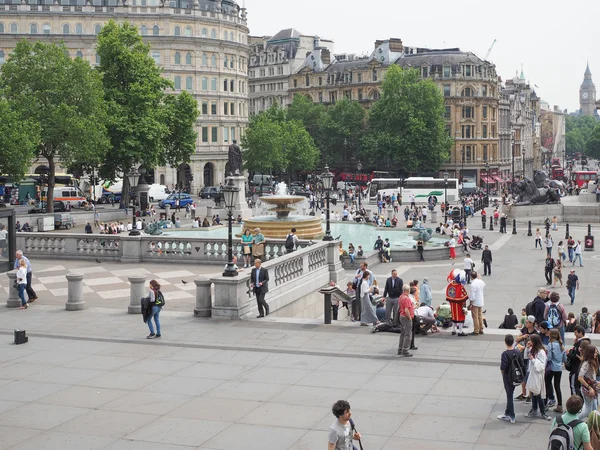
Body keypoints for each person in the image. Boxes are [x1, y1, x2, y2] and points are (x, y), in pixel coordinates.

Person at [498, 334, 524, 424]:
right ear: (513, 342)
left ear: (505, 342)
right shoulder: (517, 352)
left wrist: (502, 372)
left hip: (507, 376)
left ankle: (511, 415)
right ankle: (507, 412)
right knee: (510, 392)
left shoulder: (504, 354)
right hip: (515, 376)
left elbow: (503, 366)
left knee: (509, 395)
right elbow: (522, 364)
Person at [525, 334, 551, 420]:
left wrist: (533, 359)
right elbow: (526, 356)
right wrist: (527, 348)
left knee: (538, 393)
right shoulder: (533, 349)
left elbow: (541, 366)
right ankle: (534, 409)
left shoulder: (541, 352)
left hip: (538, 375)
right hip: (533, 373)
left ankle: (542, 411)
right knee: (533, 391)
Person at [545, 328, 566, 413]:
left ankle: (545, 404)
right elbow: (564, 358)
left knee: (547, 385)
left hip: (551, 367)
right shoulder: (561, 345)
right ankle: (560, 405)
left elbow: (549, 357)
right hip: (559, 368)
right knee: (557, 386)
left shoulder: (551, 344)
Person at [578, 345, 599, 420]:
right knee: (588, 410)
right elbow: (580, 377)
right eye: (595, 352)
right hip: (588, 389)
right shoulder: (587, 364)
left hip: (592, 388)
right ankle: (574, 421)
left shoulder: (592, 362)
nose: (596, 354)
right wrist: (590, 388)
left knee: (594, 409)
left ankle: (592, 425)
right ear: (591, 353)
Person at [397, 284, 415, 357]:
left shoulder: (401, 297)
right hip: (406, 317)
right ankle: (405, 350)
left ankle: (400, 349)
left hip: (401, 316)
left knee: (403, 334)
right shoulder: (406, 298)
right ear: (408, 290)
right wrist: (410, 318)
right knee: (408, 335)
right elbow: (406, 310)